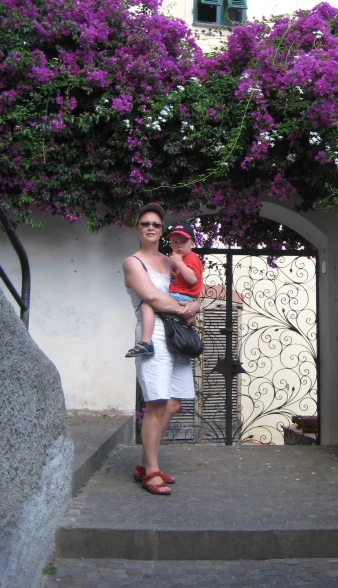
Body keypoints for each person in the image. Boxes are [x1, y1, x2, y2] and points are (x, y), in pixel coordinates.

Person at [123, 203, 202, 496]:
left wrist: (194, 307)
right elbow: (152, 298)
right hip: (154, 333)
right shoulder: (133, 262)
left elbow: (195, 291)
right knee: (156, 402)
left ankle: (144, 464)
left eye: (156, 223)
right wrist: (185, 309)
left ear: (162, 230)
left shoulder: (171, 262)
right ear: (138, 229)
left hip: (177, 334)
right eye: (145, 223)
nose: (151, 227)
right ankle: (152, 471)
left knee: (173, 403)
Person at [125, 221, 203, 357]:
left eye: (183, 242)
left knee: (147, 306)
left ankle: (145, 342)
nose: (179, 246)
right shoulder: (133, 262)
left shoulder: (190, 258)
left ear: (192, 243)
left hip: (182, 299)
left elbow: (193, 279)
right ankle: (147, 341)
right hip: (177, 308)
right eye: (175, 243)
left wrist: (193, 305)